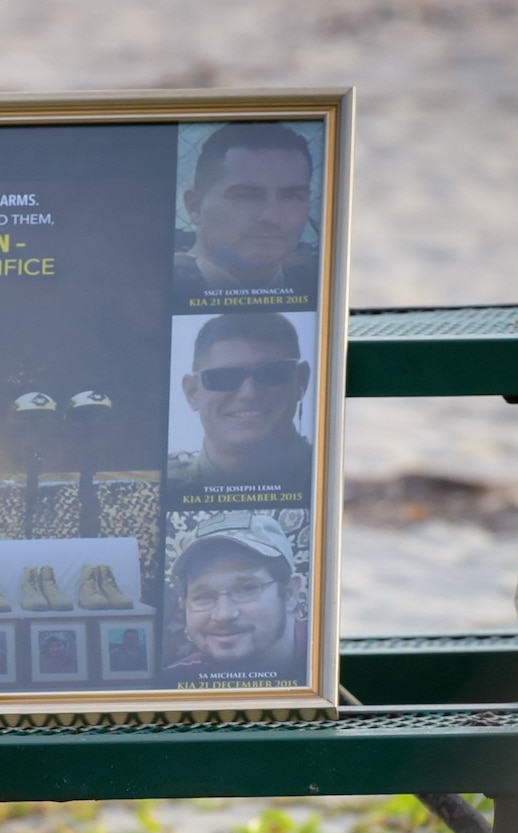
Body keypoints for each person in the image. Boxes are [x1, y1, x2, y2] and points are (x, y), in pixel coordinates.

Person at [169, 312, 314, 492]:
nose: (249, 393)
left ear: (301, 380)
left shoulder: (330, 474)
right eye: (224, 377)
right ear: (192, 392)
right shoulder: (159, 486)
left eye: (272, 373)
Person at [173, 121, 318, 298]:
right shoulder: (154, 290)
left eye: (292, 196)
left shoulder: (320, 287)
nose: (271, 217)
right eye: (245, 196)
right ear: (195, 207)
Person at [165, 512, 307, 682]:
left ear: (290, 594)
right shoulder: (173, 682)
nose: (223, 615)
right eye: (203, 596)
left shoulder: (325, 666)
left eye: (246, 589)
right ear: (184, 605)